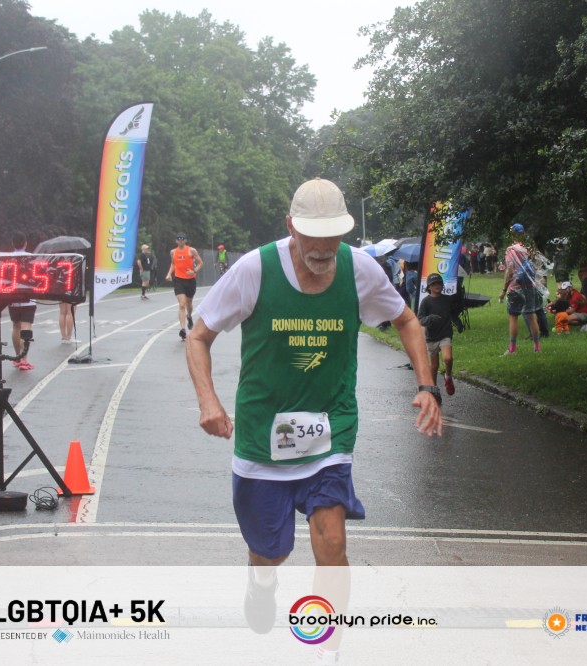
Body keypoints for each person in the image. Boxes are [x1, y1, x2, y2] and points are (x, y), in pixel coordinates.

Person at [184, 177, 442, 650]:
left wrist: (426, 386)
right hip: (263, 435)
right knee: (270, 553)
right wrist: (208, 401)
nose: (323, 250)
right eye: (312, 239)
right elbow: (198, 336)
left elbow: (406, 319)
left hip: (330, 428)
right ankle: (262, 581)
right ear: (291, 227)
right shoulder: (254, 269)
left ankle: (327, 648)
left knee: (332, 542)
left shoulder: (359, 269)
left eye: (332, 238)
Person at [417, 273, 464, 396]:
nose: (437, 285)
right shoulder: (426, 302)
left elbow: (452, 314)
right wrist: (430, 318)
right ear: (429, 287)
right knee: (434, 366)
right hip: (432, 337)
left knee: (448, 358)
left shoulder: (447, 300)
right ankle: (434, 390)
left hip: (445, 334)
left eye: (439, 283)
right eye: (434, 284)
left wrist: (458, 323)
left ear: (443, 285)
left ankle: (448, 376)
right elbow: (420, 319)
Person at [498, 223, 541, 354]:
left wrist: (504, 290)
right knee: (532, 316)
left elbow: (510, 271)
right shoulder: (528, 249)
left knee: (513, 317)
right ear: (523, 233)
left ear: (512, 234)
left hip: (515, 287)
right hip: (529, 286)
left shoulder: (511, 250)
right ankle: (537, 347)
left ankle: (512, 349)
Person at [165, 232, 203, 340]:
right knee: (182, 304)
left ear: (185, 240)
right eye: (178, 239)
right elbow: (173, 264)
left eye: (182, 239)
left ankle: (189, 316)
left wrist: (194, 271)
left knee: (189, 303)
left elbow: (200, 263)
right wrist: (169, 274)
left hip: (190, 280)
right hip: (179, 280)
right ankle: (183, 329)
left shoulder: (191, 250)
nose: (180, 241)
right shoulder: (173, 252)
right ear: (176, 241)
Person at [8, 232, 36, 370]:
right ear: (25, 243)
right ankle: (24, 359)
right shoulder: (32, 258)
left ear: (13, 244)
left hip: (12, 298)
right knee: (26, 326)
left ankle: (17, 357)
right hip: (28, 299)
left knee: (16, 326)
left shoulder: (8, 259)